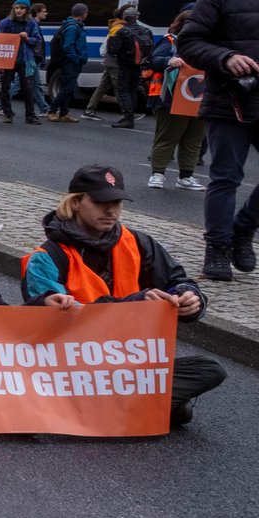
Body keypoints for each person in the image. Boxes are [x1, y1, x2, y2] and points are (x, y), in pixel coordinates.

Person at [21, 166, 227, 426]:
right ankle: (142, 406)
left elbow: (178, 282)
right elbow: (48, 322)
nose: (111, 211)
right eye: (100, 202)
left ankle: (116, 407)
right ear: (75, 203)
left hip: (127, 367)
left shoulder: (139, 243)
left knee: (210, 369)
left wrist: (190, 299)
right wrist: (135, 304)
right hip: (70, 369)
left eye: (116, 202)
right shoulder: (47, 257)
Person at [164, 0, 259, 279]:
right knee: (226, 178)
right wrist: (225, 58)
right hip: (230, 101)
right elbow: (189, 42)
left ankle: (243, 229)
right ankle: (217, 249)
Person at [146, 9, 205, 190]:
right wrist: (170, 61)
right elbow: (154, 59)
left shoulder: (208, 44)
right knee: (167, 137)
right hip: (172, 99)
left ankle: (186, 176)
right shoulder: (171, 41)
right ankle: (157, 174)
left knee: (194, 140)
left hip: (199, 99)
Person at [0, 0, 47, 124]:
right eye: (17, 8)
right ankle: (7, 113)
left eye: (22, 8)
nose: (18, 10)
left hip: (25, 59)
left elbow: (38, 40)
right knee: (5, 88)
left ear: (27, 10)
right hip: (8, 60)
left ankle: (30, 115)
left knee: (28, 88)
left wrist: (27, 38)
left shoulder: (31, 23)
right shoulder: (5, 23)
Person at [103, 5, 149, 129]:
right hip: (139, 64)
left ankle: (127, 117)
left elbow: (113, 49)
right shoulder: (146, 31)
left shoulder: (122, 31)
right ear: (136, 17)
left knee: (124, 90)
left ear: (125, 18)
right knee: (133, 90)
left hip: (125, 64)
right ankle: (131, 115)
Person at [48, 2, 90, 122]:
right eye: (86, 12)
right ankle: (52, 110)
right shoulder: (72, 27)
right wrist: (76, 59)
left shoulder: (76, 25)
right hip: (70, 62)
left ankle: (64, 113)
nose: (87, 14)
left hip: (73, 61)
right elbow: (68, 46)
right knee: (68, 88)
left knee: (70, 88)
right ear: (82, 14)